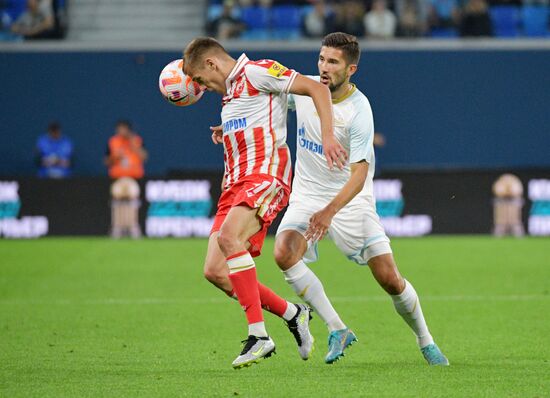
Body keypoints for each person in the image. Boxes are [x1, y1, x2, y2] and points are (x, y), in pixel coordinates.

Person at [273, 32, 449, 366]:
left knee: (389, 278)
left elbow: (358, 175)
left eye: (333, 62)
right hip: (308, 193)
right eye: (322, 59)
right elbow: (271, 103)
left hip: (350, 199)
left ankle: (425, 340)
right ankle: (337, 328)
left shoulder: (359, 110)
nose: (324, 67)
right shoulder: (307, 88)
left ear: (351, 69)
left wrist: (329, 212)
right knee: (283, 252)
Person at [183, 37, 347, 368]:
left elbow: (316, 89)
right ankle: (293, 313)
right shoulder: (230, 98)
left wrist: (328, 135)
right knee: (215, 271)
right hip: (234, 186)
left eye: (201, 79)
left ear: (212, 64)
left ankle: (259, 336)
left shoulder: (258, 71)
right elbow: (255, 120)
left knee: (230, 239)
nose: (203, 88)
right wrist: (228, 131)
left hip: (265, 177)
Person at [105, 120, 147, 238]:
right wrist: (115, 157)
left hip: (133, 178)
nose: (121, 132)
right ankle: (117, 227)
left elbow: (144, 157)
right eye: (119, 129)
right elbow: (106, 161)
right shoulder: (113, 142)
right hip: (118, 178)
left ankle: (133, 227)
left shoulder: (136, 140)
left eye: (123, 129)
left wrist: (134, 147)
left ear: (128, 130)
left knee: (132, 200)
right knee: (117, 200)